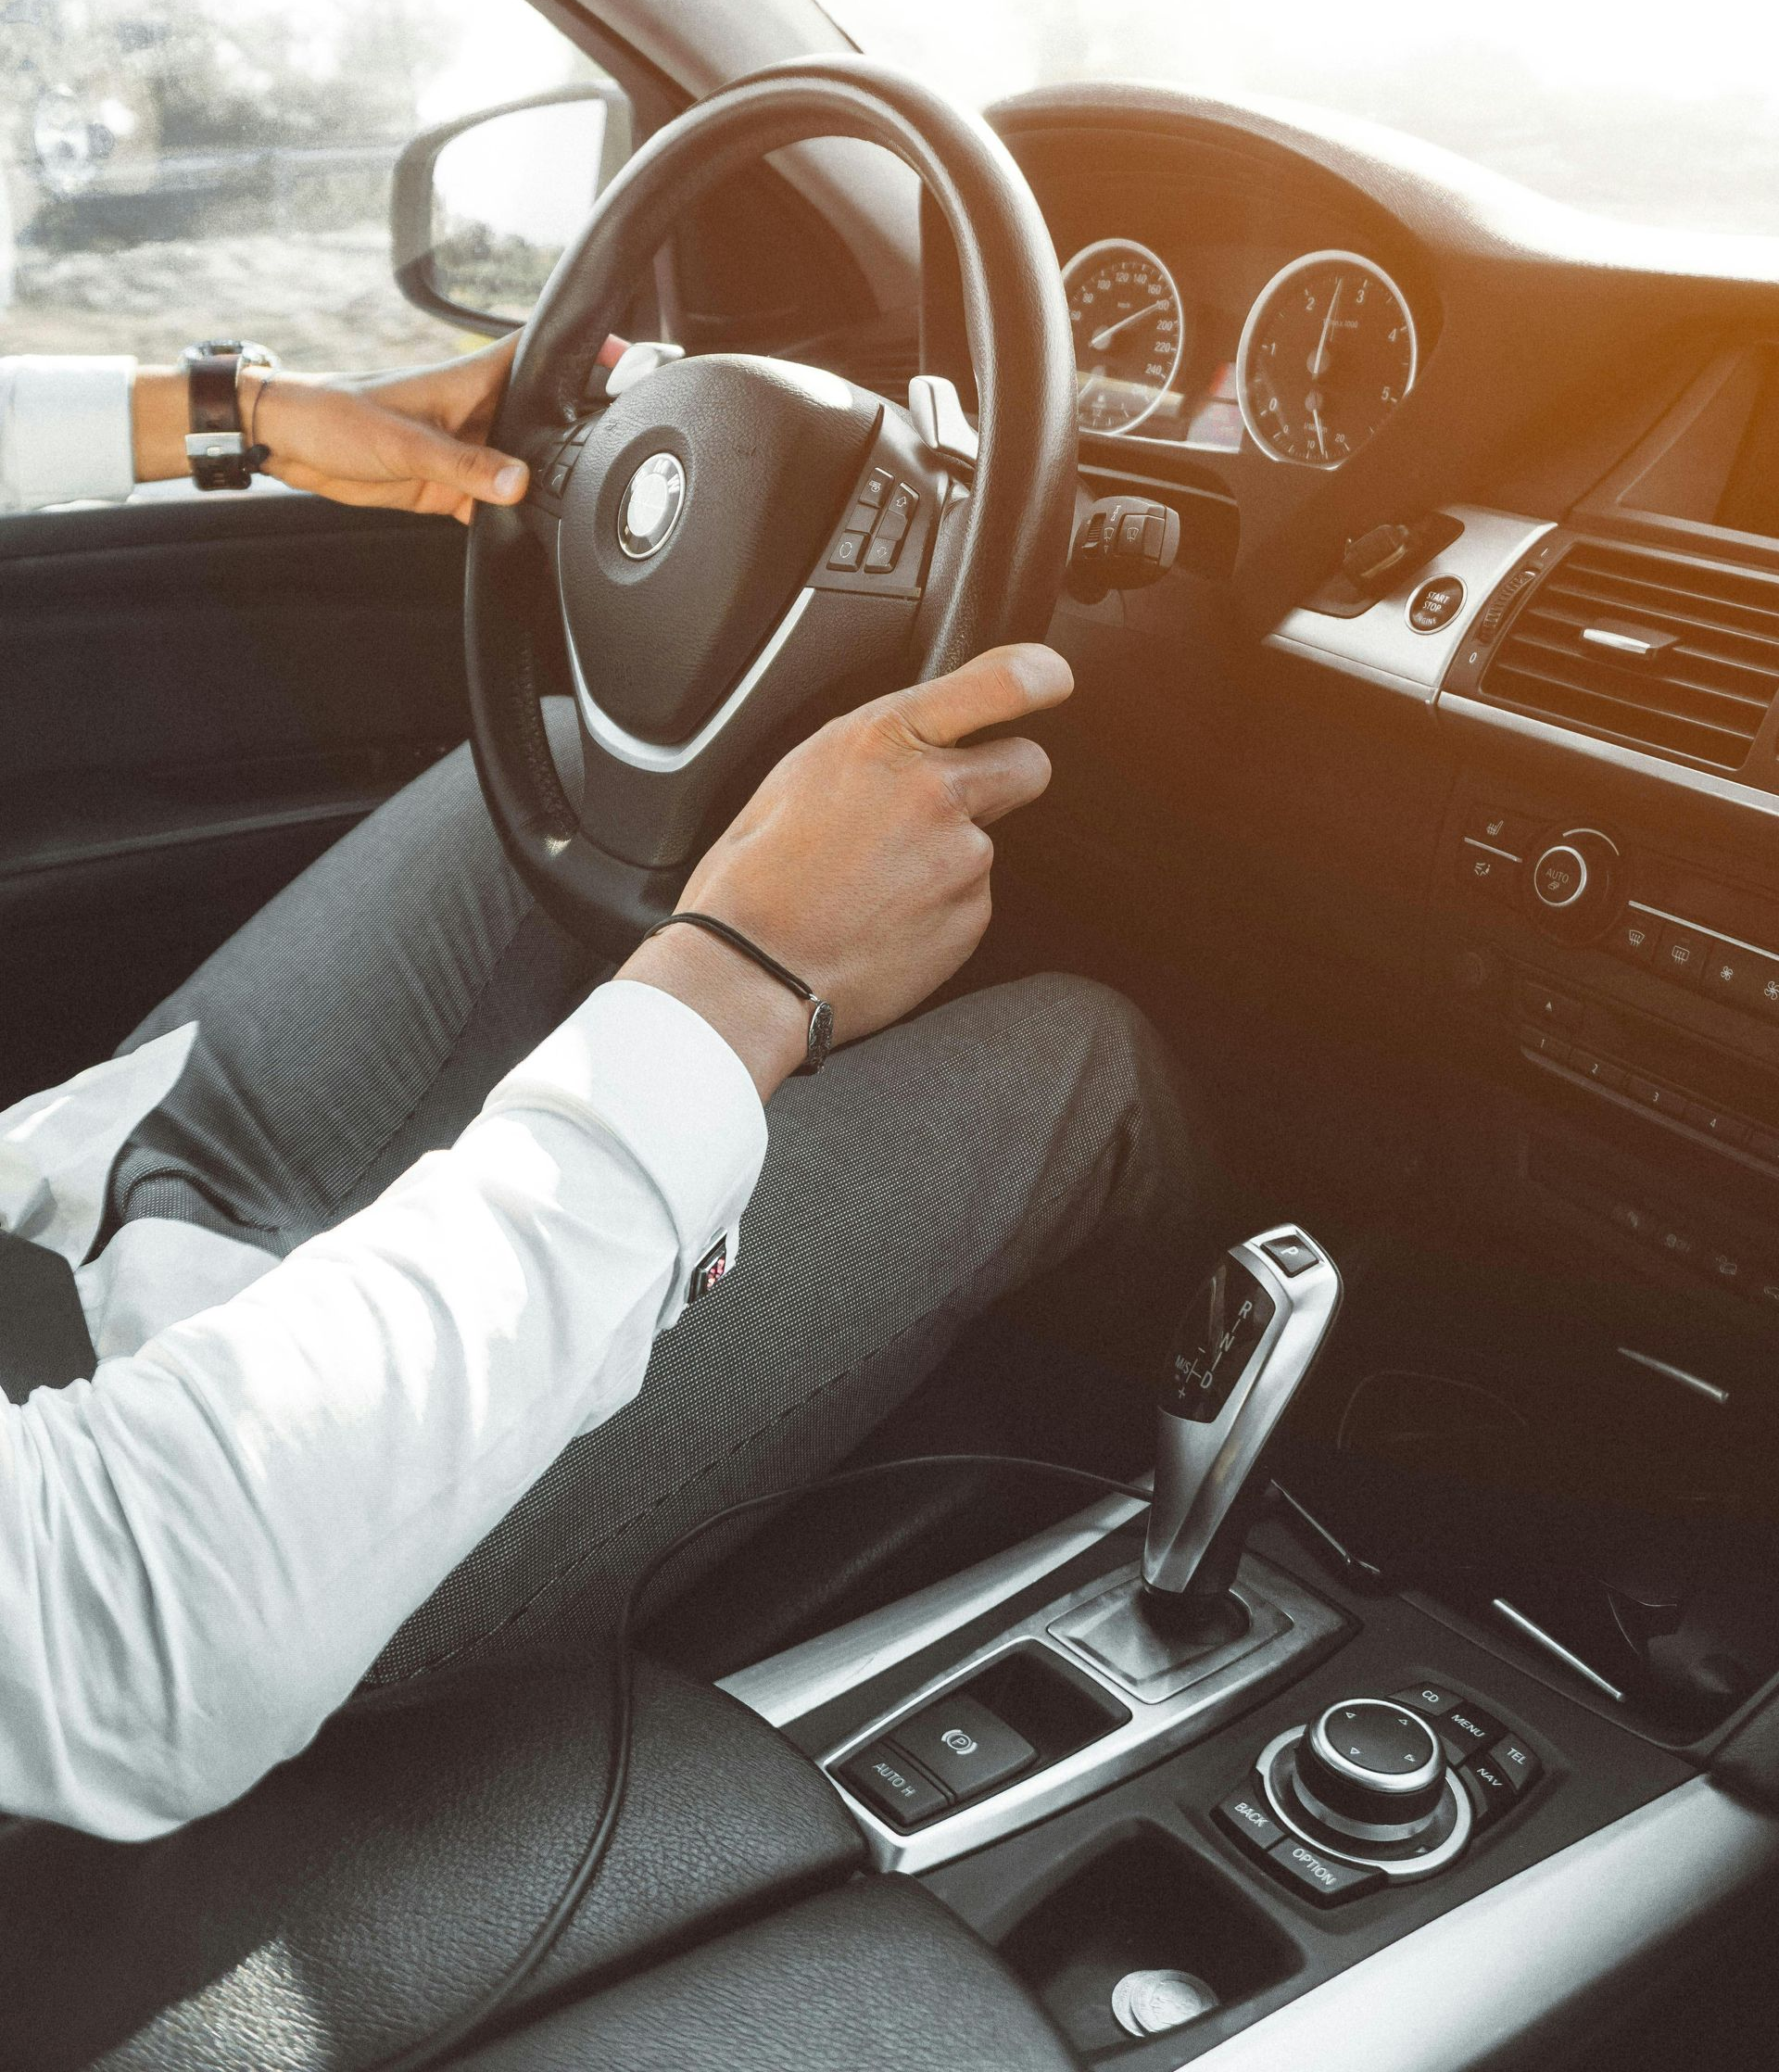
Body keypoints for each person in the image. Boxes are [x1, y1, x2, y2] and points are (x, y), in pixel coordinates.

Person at [0, 337, 1205, 1842]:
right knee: (1078, 1063)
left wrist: (222, 414)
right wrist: (741, 974)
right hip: (217, 1556)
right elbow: (123, 1626)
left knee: (577, 771)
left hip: (57, 1221)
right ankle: (1319, 1489)